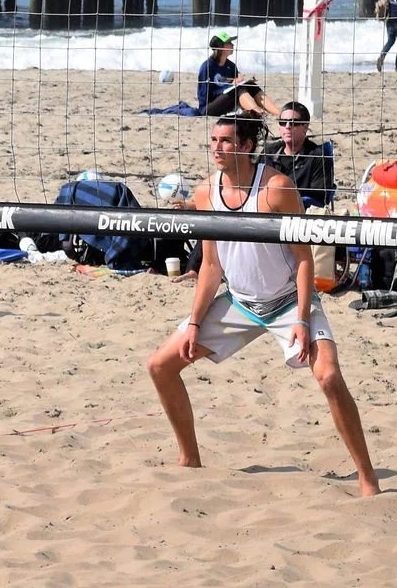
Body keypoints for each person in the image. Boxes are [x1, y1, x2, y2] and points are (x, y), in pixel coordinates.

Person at [145, 113, 381, 496]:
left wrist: (302, 322)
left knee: (329, 378)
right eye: (214, 140)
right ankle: (190, 459)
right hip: (241, 305)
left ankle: (367, 476)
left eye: (225, 141)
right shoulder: (206, 192)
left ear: (247, 146)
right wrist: (193, 322)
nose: (217, 148)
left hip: (288, 301)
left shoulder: (276, 189)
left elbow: (304, 259)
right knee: (160, 366)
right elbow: (210, 265)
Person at [255, 100, 336, 211]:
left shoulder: (318, 157)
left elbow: (320, 198)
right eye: (283, 122)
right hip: (267, 209)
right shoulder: (268, 152)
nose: (287, 126)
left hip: (300, 213)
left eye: (294, 123)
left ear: (305, 127)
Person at [196, 33, 270, 117]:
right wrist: (230, 85)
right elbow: (204, 97)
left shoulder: (231, 66)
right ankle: (258, 112)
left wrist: (241, 81)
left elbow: (237, 89)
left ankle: (278, 113)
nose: (233, 44)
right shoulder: (207, 66)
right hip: (208, 108)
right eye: (229, 43)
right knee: (238, 89)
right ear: (221, 47)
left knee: (251, 86)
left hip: (227, 104)